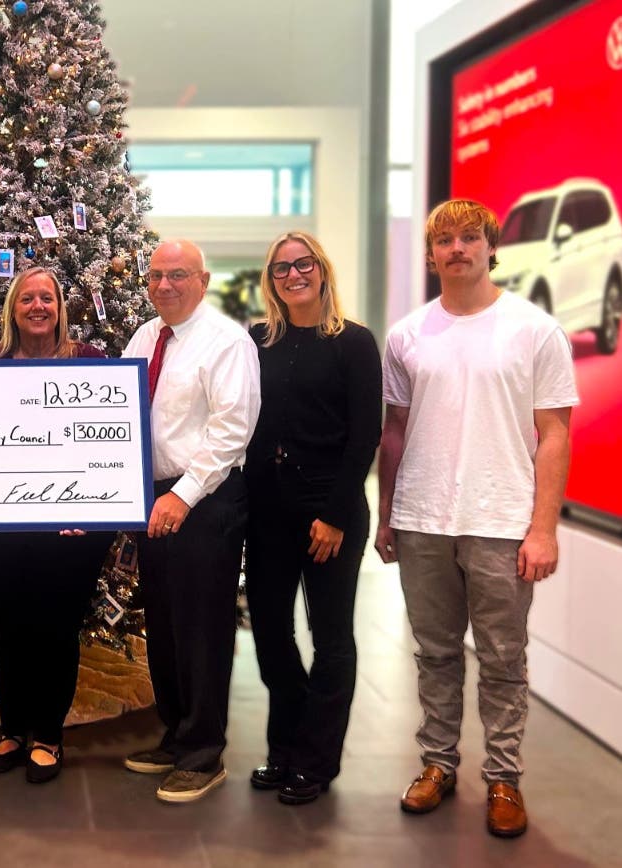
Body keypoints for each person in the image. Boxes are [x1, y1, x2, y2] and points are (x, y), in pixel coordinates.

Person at [376, 199, 577, 838]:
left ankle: (504, 777)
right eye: (445, 241)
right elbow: (395, 433)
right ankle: (437, 763)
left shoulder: (534, 330)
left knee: (502, 658)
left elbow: (554, 434)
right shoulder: (408, 335)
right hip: (423, 519)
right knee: (434, 653)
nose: (457, 249)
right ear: (432, 254)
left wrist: (543, 527)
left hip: (501, 520)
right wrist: (387, 516)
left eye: (469, 239)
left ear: (491, 247)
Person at [243, 232, 381, 805]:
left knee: (331, 639)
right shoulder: (257, 341)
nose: (292, 275)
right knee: (271, 633)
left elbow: (365, 436)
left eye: (302, 265)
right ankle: (287, 743)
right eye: (281, 269)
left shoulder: (354, 343)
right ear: (270, 279)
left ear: (321, 270)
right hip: (267, 511)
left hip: (331, 510)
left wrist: (335, 514)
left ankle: (317, 761)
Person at [121, 239, 261, 803]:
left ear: (202, 280)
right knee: (164, 622)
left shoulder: (226, 340)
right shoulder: (145, 335)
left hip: (204, 501)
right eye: (155, 275)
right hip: (150, 499)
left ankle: (204, 753)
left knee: (202, 629)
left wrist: (183, 495)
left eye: (177, 275)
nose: (164, 285)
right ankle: (176, 734)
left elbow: (232, 429)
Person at [0, 267, 114, 783]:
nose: (36, 306)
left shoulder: (91, 363)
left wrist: (90, 506)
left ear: (59, 306)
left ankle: (48, 732)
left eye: (45, 298)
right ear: (13, 308)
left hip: (72, 530)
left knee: (55, 627)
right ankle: (13, 727)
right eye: (26, 298)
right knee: (9, 627)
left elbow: (105, 444)